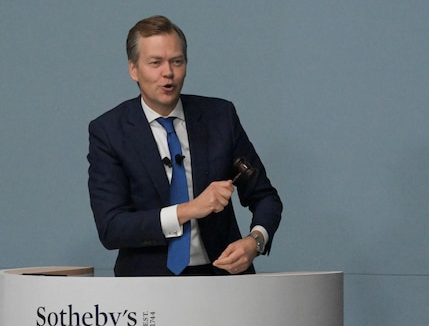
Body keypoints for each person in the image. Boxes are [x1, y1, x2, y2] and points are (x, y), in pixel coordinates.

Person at [88, 15, 283, 276]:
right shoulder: (109, 131)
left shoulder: (220, 117)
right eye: (155, 63)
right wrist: (189, 209)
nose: (168, 72)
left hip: (222, 278)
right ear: (133, 69)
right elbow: (112, 228)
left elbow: (265, 197)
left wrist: (255, 242)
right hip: (148, 284)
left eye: (176, 62)